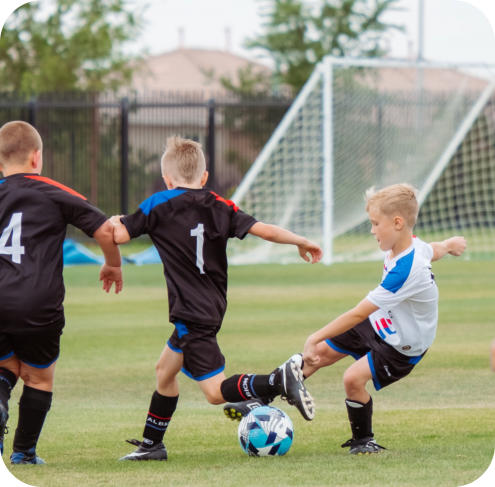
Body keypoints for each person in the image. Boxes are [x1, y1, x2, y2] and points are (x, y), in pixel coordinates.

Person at [112, 135, 322, 461]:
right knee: (164, 371)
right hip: (212, 305)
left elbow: (120, 235)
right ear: (205, 177)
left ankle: (276, 380)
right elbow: (262, 228)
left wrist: (114, 221)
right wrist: (301, 240)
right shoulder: (220, 205)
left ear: (167, 179)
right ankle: (152, 444)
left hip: (189, 312)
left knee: (213, 393)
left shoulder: (158, 203)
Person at [299, 183, 467, 454]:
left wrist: (314, 335)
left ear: (397, 223)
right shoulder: (410, 245)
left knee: (352, 379)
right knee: (317, 354)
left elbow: (357, 313)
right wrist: (450, 245)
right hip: (383, 321)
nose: (371, 230)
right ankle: (264, 393)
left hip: (403, 346)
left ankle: (364, 441)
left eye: (376, 223)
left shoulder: (406, 270)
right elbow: (431, 249)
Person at [0, 121, 123, 464]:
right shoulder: (53, 191)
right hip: (39, 301)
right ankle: (23, 453)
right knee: (38, 377)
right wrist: (113, 264)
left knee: (5, 368)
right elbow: (104, 230)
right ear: (37, 157)